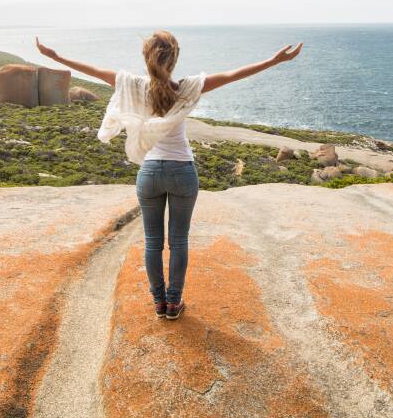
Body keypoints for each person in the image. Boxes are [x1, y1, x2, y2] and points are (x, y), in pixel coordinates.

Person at [35, 30, 303, 320]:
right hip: (182, 172)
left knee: (152, 241)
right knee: (178, 241)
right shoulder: (187, 88)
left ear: (146, 57)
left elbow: (93, 71)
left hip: (149, 172)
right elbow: (232, 75)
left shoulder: (132, 85)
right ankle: (174, 303)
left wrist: (55, 57)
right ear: (174, 58)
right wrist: (275, 61)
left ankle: (159, 304)